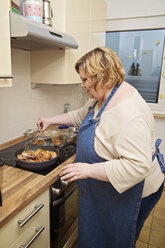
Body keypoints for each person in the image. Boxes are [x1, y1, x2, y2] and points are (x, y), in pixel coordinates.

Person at [37, 47, 165, 248]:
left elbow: (138, 166)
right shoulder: (105, 95)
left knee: (118, 241)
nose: (83, 85)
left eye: (85, 79)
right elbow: (80, 116)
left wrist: (87, 169)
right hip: (109, 190)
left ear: (103, 77)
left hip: (135, 194)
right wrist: (50, 120)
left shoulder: (130, 114)